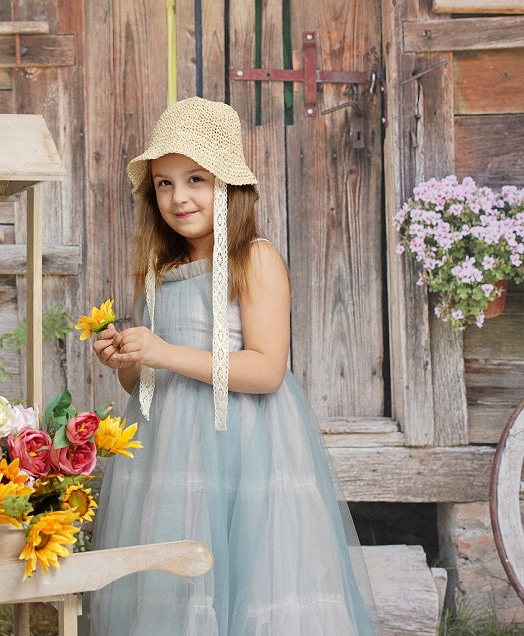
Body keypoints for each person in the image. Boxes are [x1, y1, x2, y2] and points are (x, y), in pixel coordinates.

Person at [86, 97, 379, 635]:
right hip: (168, 445)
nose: (179, 197)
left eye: (196, 178)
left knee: (249, 568)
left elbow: (266, 369)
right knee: (173, 569)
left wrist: (162, 351)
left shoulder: (254, 258)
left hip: (245, 442)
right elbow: (146, 378)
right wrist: (126, 361)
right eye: (164, 183)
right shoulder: (159, 269)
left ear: (229, 184)